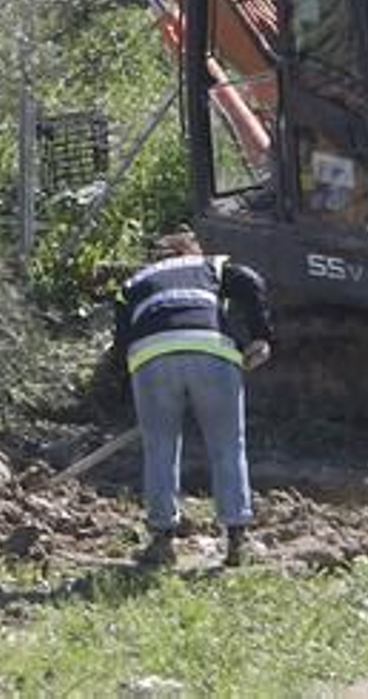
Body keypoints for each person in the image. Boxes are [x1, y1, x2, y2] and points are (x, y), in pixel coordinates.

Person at [113, 229, 272, 568]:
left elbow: (121, 341)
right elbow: (250, 281)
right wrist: (259, 336)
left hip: (149, 357)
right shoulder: (210, 265)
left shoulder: (134, 281)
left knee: (159, 449)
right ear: (191, 251)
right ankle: (237, 542)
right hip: (211, 349)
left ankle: (161, 542)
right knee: (228, 446)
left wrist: (134, 392)